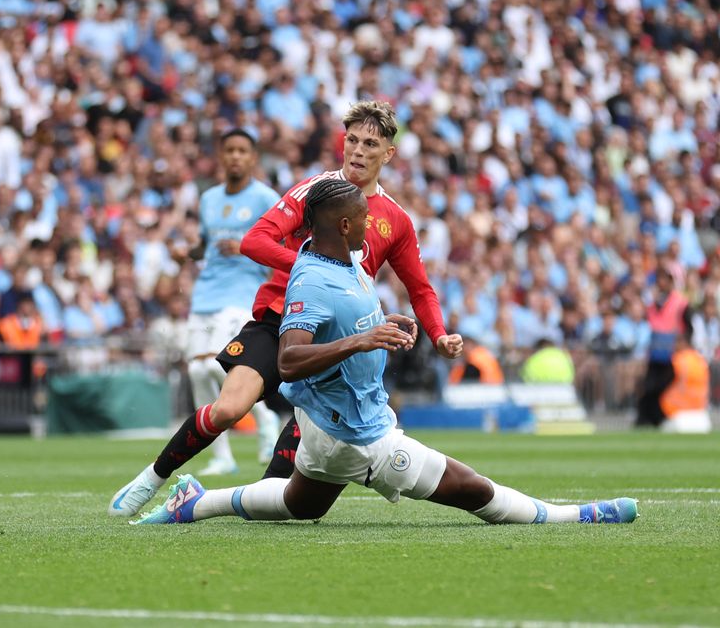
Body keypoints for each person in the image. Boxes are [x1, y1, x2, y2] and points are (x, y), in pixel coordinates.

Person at [136, 178, 638, 527]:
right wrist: (363, 339)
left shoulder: (345, 261)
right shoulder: (310, 279)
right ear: (346, 227)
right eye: (360, 216)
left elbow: (357, 314)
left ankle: (196, 504)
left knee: (300, 505)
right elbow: (288, 360)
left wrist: (381, 323)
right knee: (475, 492)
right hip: (358, 435)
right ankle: (577, 514)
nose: (369, 221)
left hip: (329, 425)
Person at [108, 101, 463, 517]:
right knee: (228, 408)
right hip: (280, 319)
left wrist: (439, 334)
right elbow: (255, 240)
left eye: (370, 143)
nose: (358, 151)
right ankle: (152, 477)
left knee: (292, 499)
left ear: (389, 154)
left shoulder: (395, 220)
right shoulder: (315, 192)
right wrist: (316, 268)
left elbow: (420, 288)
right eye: (352, 140)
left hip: (336, 342)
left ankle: (225, 501)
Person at [182, 129, 281, 475]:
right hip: (206, 293)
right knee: (196, 371)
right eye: (230, 151)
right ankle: (222, 456)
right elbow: (206, 244)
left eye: (242, 151)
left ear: (253, 158)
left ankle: (265, 418)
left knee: (214, 365)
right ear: (221, 157)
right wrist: (187, 252)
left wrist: (246, 247)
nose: (236, 156)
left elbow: (283, 247)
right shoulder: (208, 198)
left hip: (243, 294)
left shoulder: (265, 198)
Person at [637, 268, 688, 427]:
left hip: (672, 355)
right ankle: (648, 419)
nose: (661, 283)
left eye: (664, 279)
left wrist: (682, 344)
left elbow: (688, 327)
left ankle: (658, 418)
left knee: (664, 388)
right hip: (655, 353)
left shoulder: (680, 302)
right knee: (650, 387)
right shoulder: (652, 303)